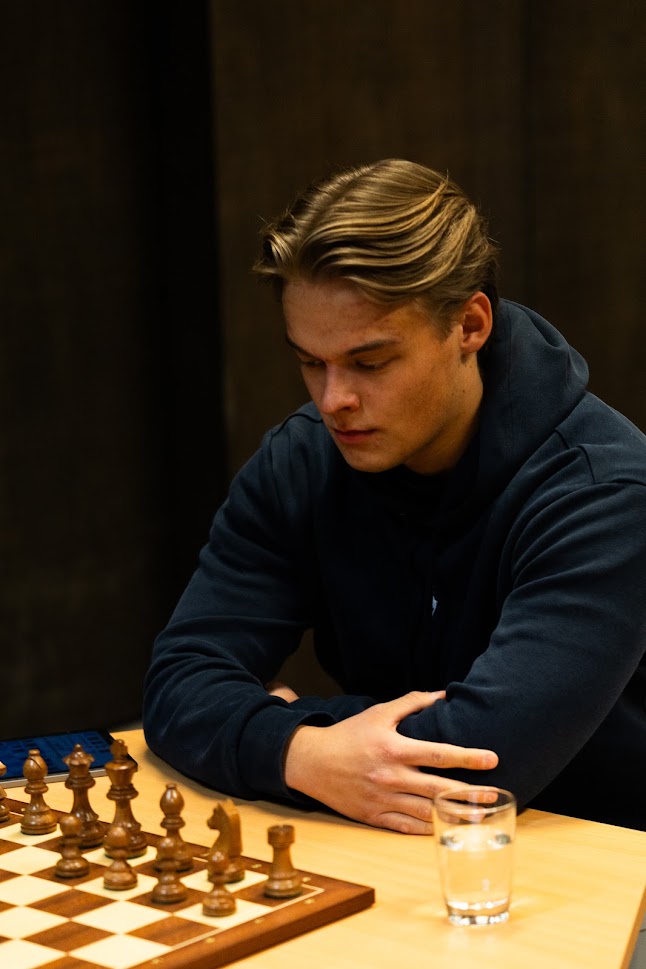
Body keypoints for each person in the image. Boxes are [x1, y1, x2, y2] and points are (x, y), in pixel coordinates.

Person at [142, 159, 646, 834]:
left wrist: (279, 724)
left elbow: (480, 766)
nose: (333, 400)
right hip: (389, 846)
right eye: (310, 361)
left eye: (370, 362)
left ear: (470, 325)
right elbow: (176, 685)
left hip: (603, 865)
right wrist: (302, 751)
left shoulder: (606, 493)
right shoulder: (301, 460)